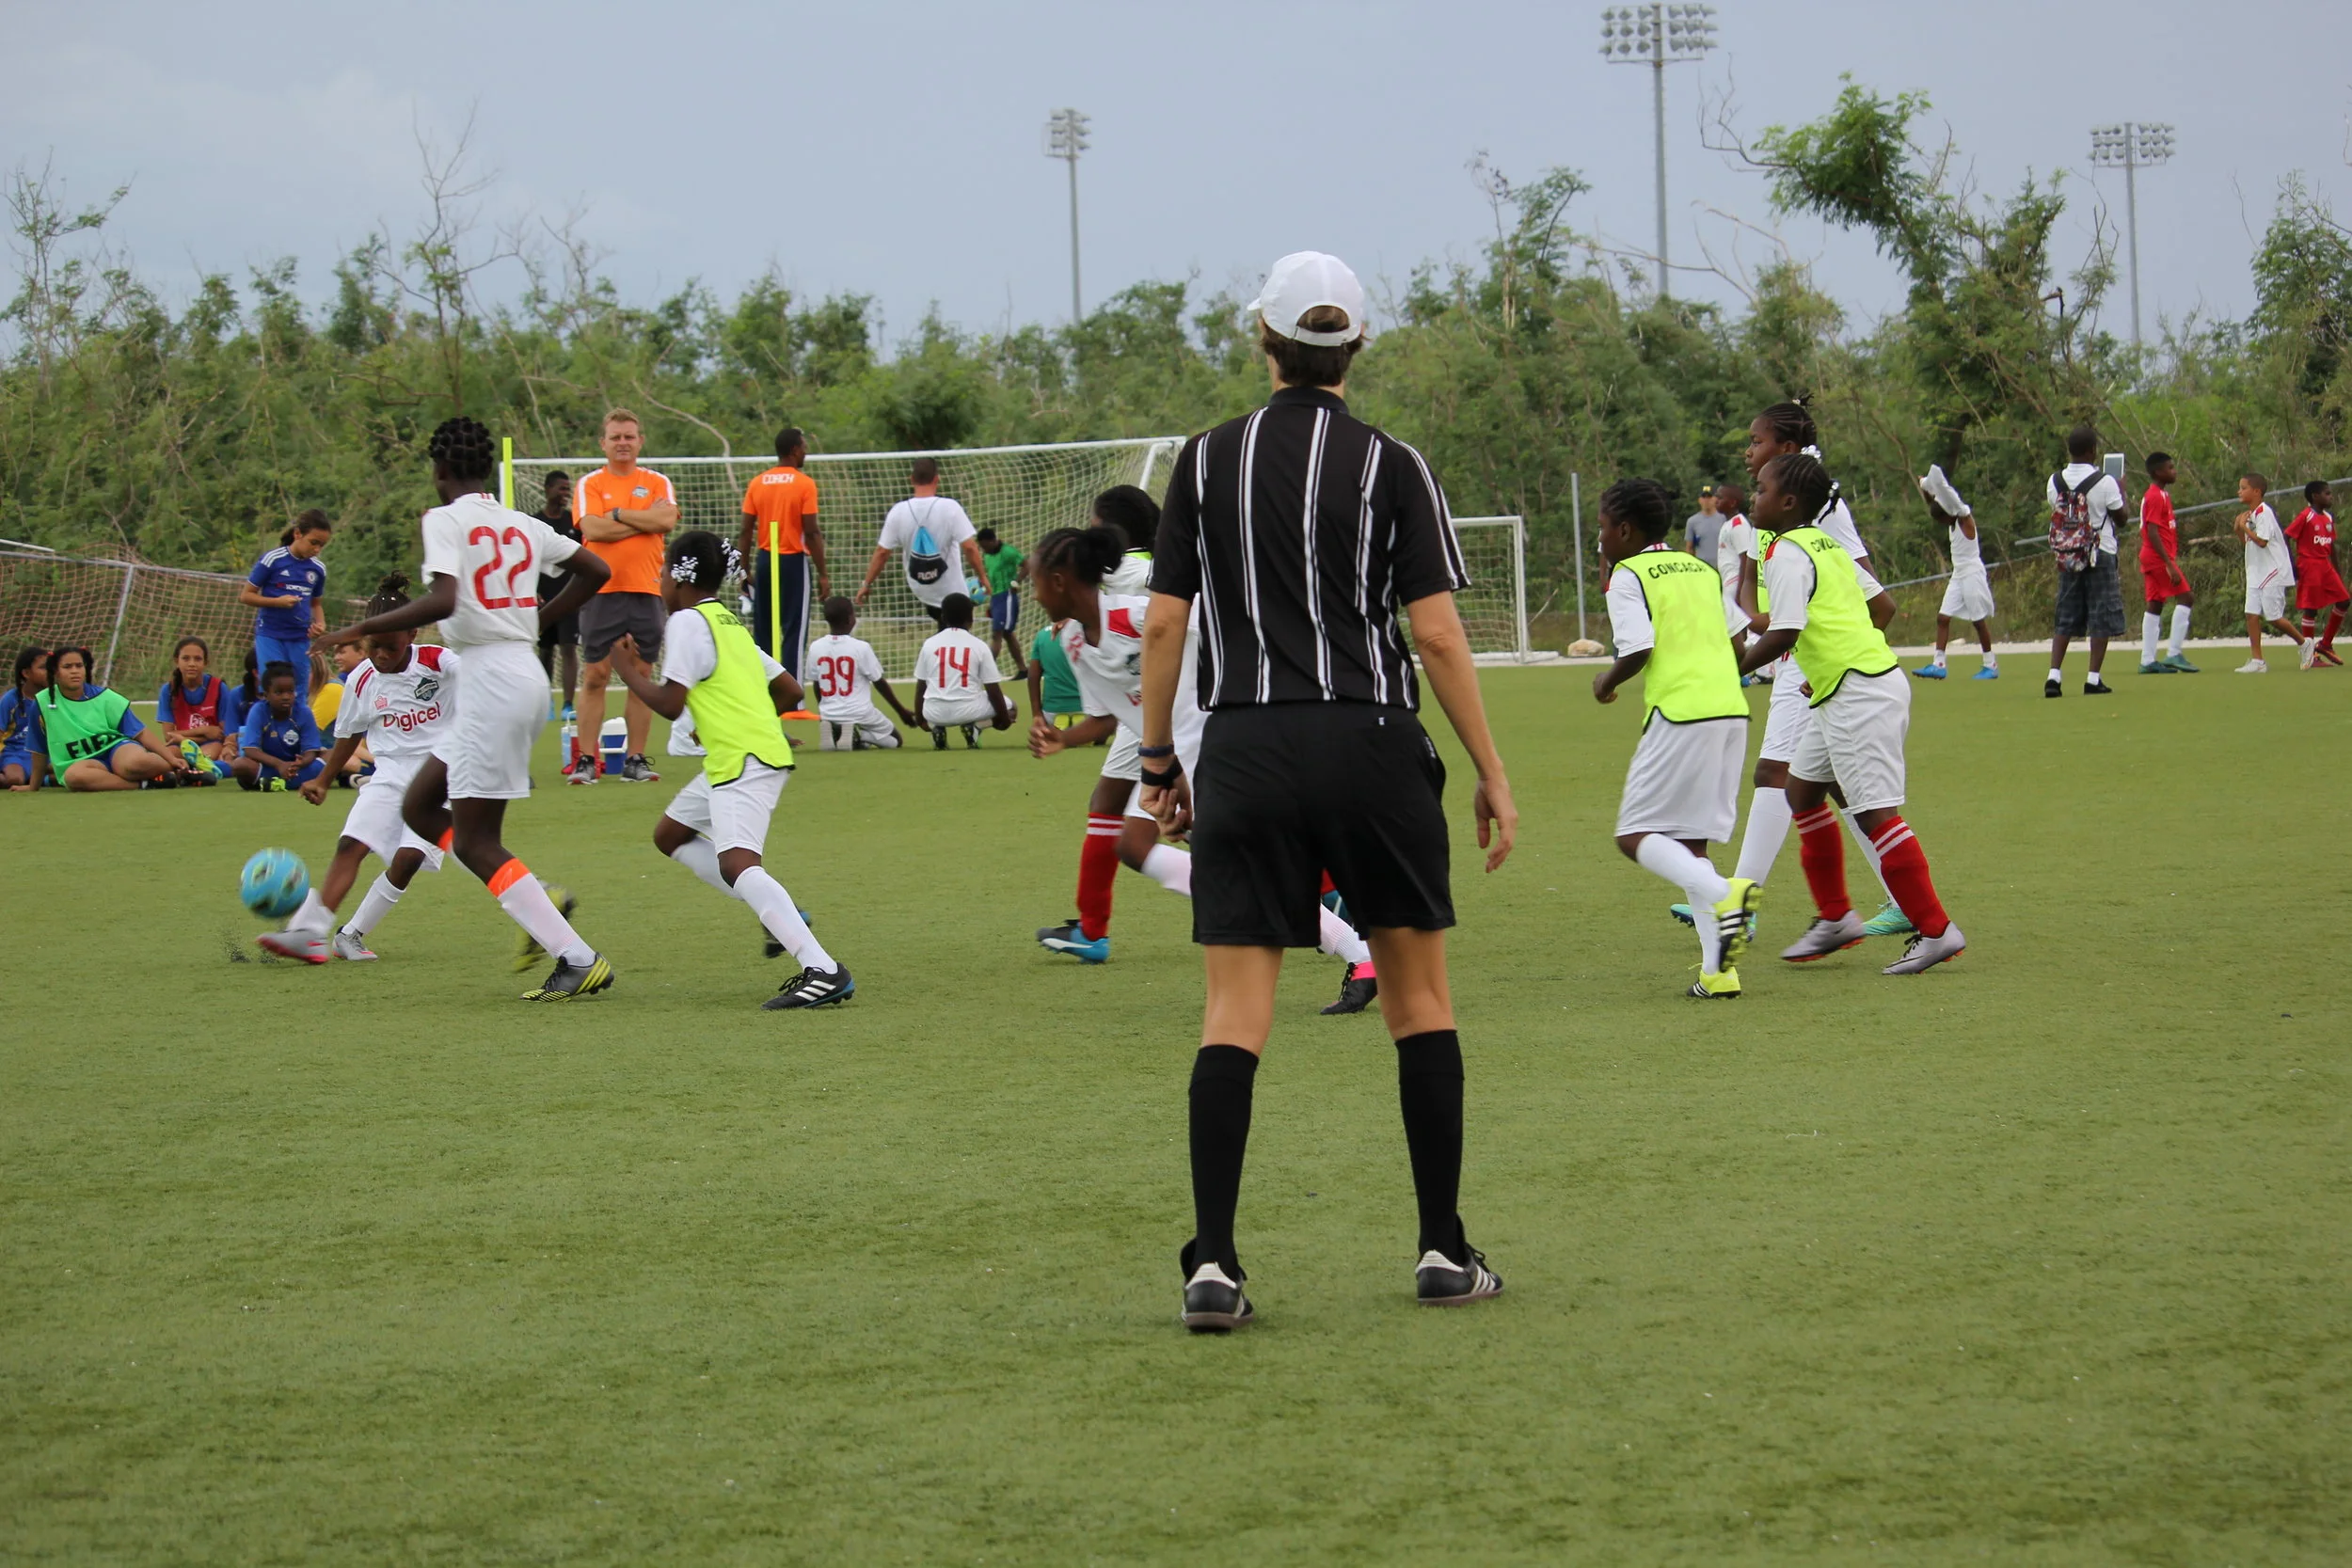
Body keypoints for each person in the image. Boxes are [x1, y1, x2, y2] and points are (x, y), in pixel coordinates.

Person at [1137, 249, 1518, 1330]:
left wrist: (1160, 758)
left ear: (1263, 336)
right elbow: (1434, 632)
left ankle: (1213, 1261)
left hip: (1248, 749)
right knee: (1420, 1004)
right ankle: (1442, 1248)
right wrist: (1489, 769)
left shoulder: (1205, 461)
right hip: (1374, 744)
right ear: (1356, 346)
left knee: (1232, 1014)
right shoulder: (1395, 463)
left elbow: (1166, 621)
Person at [317, 415, 616, 1000]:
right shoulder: (519, 522)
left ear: (442, 470)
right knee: (423, 806)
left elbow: (445, 597)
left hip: (487, 680)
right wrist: (537, 620)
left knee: (475, 839)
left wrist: (364, 625)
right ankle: (539, 907)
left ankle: (574, 954)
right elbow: (596, 569)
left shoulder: (444, 519)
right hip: (523, 673)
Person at [1026, 523, 1379, 1002]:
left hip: (1214, 744)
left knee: (1243, 870)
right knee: (1141, 848)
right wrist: (1062, 738)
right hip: (1169, 755)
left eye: (1037, 579)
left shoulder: (1138, 614)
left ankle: (1359, 953)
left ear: (1061, 580)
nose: (1034, 589)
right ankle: (1352, 945)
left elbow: (1222, 628)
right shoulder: (1071, 644)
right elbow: (1109, 718)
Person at [1737, 453, 1964, 974]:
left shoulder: (1788, 552)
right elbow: (1876, 608)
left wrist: (1736, 670)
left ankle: (1936, 930)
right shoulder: (1825, 545)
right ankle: (1837, 917)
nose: (1755, 496)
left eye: (1762, 489)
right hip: (1852, 683)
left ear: (1788, 502)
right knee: (1802, 790)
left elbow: (1788, 630)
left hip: (1858, 693)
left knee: (1874, 814)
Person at [609, 531, 852, 1010]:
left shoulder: (685, 622)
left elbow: (671, 703)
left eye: (662, 570)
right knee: (670, 834)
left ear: (678, 576)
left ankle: (823, 969)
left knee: (738, 864)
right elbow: (788, 690)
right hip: (744, 754)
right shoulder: (726, 622)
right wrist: (734, 719)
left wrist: (626, 669)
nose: (658, 579)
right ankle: (775, 913)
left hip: (743, 760)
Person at [1723, 399, 1907, 941]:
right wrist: (1745, 561)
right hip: (1805, 661)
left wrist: (1842, 662)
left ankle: (1743, 901)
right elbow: (1761, 605)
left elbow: (1875, 599)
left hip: (1821, 665)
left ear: (1785, 451)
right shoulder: (1773, 515)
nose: (1747, 452)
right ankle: (1887, 904)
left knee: (1782, 777)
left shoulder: (1820, 516)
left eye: (1756, 442)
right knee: (1818, 785)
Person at [1592, 479, 1756, 999]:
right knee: (1690, 842)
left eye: (1602, 529)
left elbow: (1638, 648)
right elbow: (1738, 642)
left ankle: (1724, 895)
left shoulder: (1628, 575)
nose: (1600, 540)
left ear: (1624, 529)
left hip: (1680, 713)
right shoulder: (1701, 570)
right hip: (1731, 711)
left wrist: (1604, 682)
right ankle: (1719, 973)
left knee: (1634, 835)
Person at [258, 575, 453, 963]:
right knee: (351, 845)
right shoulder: (362, 678)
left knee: (408, 858)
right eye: (373, 646)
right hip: (389, 774)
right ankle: (309, 932)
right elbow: (348, 733)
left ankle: (352, 934)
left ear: (412, 634)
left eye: (390, 646)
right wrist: (323, 780)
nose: (381, 654)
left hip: (440, 777)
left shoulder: (441, 664)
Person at [1035, 485, 1164, 963]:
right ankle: (1091, 928)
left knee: (1148, 828)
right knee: (1122, 807)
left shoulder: (1129, 576)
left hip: (1172, 709)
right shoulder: (1150, 564)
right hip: (1143, 704)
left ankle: (1328, 902)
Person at [572, 408, 677, 784]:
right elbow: (592, 528)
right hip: (601, 591)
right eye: (615, 437)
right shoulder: (590, 484)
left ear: (640, 441)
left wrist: (616, 514)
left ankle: (635, 759)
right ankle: (586, 760)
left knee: (642, 675)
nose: (622, 443)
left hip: (647, 589)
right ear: (604, 443)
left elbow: (665, 522)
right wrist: (638, 520)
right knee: (596, 675)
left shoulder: (657, 481)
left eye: (629, 436)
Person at [2044, 426, 2128, 697]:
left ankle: (2054, 676)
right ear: (2093, 451)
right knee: (2100, 614)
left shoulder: (2054, 481)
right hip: (2100, 552)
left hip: (2068, 554)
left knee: (2066, 614)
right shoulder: (2105, 482)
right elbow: (2121, 518)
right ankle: (2093, 679)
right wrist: (2122, 490)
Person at [36, 646, 191, 792]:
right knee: (74, 777)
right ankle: (145, 784)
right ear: (56, 671)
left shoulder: (105, 697)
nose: (75, 671)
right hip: (85, 762)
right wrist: (32, 786)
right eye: (67, 667)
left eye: (79, 666)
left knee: (135, 764)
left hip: (118, 750)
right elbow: (37, 746)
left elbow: (140, 732)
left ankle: (183, 770)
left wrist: (171, 759)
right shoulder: (42, 702)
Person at [737, 428, 825, 678]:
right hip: (793, 561)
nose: (806, 451)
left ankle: (765, 694)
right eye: (804, 446)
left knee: (764, 629)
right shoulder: (804, 484)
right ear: (795, 450)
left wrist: (744, 570)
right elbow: (811, 532)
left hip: (765, 559)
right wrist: (823, 574)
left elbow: (745, 531)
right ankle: (793, 700)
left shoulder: (757, 482)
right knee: (794, 629)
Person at [857, 459, 986, 626]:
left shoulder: (898, 511)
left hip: (922, 590)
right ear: (937, 479)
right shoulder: (950, 507)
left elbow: (882, 553)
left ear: (911, 479)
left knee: (942, 627)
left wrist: (866, 584)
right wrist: (982, 577)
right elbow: (970, 547)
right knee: (957, 636)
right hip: (952, 590)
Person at [1911, 466, 1998, 680]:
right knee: (1942, 618)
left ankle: (1991, 665)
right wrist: (1924, 486)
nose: (1941, 523)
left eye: (1941, 519)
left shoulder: (1962, 519)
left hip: (1972, 573)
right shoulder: (1949, 520)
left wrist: (1937, 485)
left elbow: (1951, 499)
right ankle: (1939, 664)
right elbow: (1934, 503)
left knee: (1978, 621)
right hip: (1959, 574)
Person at [241, 511, 332, 699]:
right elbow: (246, 596)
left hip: (300, 637)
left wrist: (320, 624)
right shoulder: (273, 560)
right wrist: (277, 602)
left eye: (321, 545)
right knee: (274, 686)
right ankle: (268, 726)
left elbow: (316, 604)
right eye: (313, 542)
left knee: (298, 690)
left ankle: (296, 727)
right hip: (271, 635)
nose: (317, 550)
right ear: (297, 534)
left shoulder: (318, 569)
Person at [804, 595, 914, 749]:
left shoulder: (816, 647)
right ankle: (858, 735)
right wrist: (901, 711)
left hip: (829, 713)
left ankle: (841, 731)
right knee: (895, 740)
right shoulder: (861, 647)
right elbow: (879, 683)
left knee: (858, 741)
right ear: (850, 619)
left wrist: (825, 712)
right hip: (860, 712)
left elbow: (817, 685)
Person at [913, 594, 1014, 746]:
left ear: (943, 618)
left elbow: (921, 687)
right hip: (969, 710)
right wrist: (1004, 720)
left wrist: (921, 720)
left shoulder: (929, 644)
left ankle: (936, 728)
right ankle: (976, 727)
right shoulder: (979, 646)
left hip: (934, 712)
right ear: (971, 620)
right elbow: (993, 690)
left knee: (935, 704)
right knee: (1011, 708)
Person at [2234, 474, 2302, 673]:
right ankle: (2258, 661)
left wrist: (2245, 527)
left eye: (2243, 487)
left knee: (2273, 618)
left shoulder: (2265, 513)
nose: (2239, 491)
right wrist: (2239, 527)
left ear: (2256, 491)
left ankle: (2304, 643)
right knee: (2251, 615)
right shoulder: (2252, 514)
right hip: (2256, 572)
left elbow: (2262, 542)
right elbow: (2246, 542)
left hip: (2273, 570)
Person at [2137, 452, 2197, 673]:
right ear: (2158, 472)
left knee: (2155, 604)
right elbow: (2151, 531)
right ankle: (2173, 653)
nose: (2174, 471)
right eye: (2170, 468)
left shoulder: (2162, 495)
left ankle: (2147, 660)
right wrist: (2168, 563)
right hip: (2156, 557)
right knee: (2187, 597)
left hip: (2152, 556)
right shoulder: (2155, 496)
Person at [532, 470, 583, 722]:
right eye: (561, 489)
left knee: (569, 649)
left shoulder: (573, 523)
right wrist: (532, 590)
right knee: (544, 651)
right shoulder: (533, 523)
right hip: (542, 598)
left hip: (569, 597)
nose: (565, 494)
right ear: (548, 488)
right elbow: (527, 562)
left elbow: (584, 560)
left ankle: (568, 704)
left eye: (567, 489)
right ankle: (545, 702)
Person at [232, 663, 325, 792]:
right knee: (240, 765)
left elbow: (311, 751)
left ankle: (274, 784)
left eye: (290, 691)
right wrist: (279, 765)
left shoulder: (304, 712)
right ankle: (292, 783)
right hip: (270, 766)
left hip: (296, 768)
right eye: (278, 692)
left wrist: (301, 762)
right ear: (266, 695)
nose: (286, 697)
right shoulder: (258, 710)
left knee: (331, 755)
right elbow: (250, 750)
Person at [2286, 480, 2345, 667]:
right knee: (2310, 608)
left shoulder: (2328, 517)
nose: (2330, 497)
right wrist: (2292, 566)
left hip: (2325, 565)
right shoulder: (2306, 516)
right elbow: (2286, 536)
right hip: (2309, 564)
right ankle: (2311, 656)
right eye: (2327, 493)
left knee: (2344, 600)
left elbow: (2331, 544)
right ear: (2315, 496)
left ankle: (2326, 644)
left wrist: (2337, 570)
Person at [157, 637, 233, 768]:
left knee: (206, 755)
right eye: (186, 658)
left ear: (205, 662)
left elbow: (222, 734)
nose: (192, 664)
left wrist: (181, 736)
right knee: (164, 757)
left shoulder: (219, 687)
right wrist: (204, 731)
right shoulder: (168, 690)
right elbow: (169, 736)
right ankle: (196, 768)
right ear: (177, 661)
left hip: (211, 744)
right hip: (182, 744)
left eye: (197, 659)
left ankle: (191, 769)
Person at [1711, 481, 1755, 670]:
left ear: (1732, 502)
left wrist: (1741, 591)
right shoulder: (1728, 524)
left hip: (1736, 582)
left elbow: (1746, 557)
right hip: (1728, 582)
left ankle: (1746, 668)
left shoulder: (1738, 524)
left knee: (1738, 627)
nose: (1716, 500)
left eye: (1720, 497)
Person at [977, 525, 1029, 678]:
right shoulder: (987, 556)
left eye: (985, 546)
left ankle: (985, 672)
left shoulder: (1008, 552)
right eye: (981, 547)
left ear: (993, 541)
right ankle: (1022, 669)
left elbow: (1027, 565)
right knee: (1007, 633)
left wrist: (1017, 581)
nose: (983, 550)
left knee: (997, 634)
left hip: (1007, 596)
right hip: (996, 597)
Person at [3, 648, 50, 790]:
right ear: (26, 673)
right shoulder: (10, 700)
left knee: (69, 772)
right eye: (43, 668)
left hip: (46, 754)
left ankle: (38, 779)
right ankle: (34, 779)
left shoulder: (56, 698)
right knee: (14, 778)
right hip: (16, 753)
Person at [1027, 617, 1083, 730]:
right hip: (1088, 709)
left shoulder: (1042, 635)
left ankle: (1061, 724)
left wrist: (1037, 714)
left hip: (1052, 711)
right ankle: (1085, 729)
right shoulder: (1087, 633)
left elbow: (1033, 677)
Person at [1684, 483, 1721, 562]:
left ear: (1715, 499)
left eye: (1709, 497)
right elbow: (1689, 548)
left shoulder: (1724, 518)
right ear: (1699, 500)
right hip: (1703, 567)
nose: (1706, 500)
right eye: (1704, 497)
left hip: (1722, 566)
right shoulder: (1692, 521)